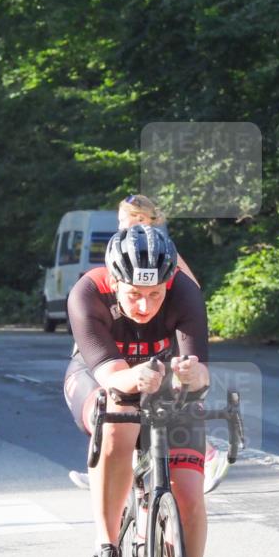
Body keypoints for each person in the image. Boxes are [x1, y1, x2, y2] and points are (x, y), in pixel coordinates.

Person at [63, 224, 209, 557]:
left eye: (154, 296)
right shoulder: (86, 293)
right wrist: (135, 379)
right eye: (132, 296)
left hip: (163, 380)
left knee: (187, 493)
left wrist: (191, 374)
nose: (144, 307)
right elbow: (111, 375)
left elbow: (201, 374)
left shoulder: (184, 291)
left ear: (168, 283)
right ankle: (107, 548)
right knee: (120, 416)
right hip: (100, 378)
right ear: (114, 281)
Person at [74, 194, 229, 494]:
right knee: (115, 404)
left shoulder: (159, 247)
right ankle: (109, 471)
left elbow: (190, 291)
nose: (121, 226)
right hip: (123, 337)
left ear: (145, 220)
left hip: (158, 337)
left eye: (128, 220)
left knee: (177, 396)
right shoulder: (125, 247)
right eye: (120, 220)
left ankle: (207, 455)